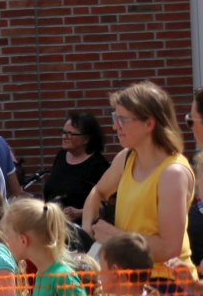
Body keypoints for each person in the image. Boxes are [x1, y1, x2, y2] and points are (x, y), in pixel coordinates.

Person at [82, 81, 194, 269]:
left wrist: (116, 238)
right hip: (127, 279)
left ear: (149, 123)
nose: (115, 127)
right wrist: (87, 232)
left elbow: (169, 248)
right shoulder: (126, 158)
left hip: (165, 281)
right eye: (115, 118)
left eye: (122, 120)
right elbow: (98, 192)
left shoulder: (173, 174)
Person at [38, 111, 106, 225]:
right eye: (63, 132)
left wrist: (80, 212)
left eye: (70, 134)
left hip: (81, 228)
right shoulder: (61, 156)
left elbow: (107, 206)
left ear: (86, 139)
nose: (64, 137)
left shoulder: (99, 165)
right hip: (54, 226)